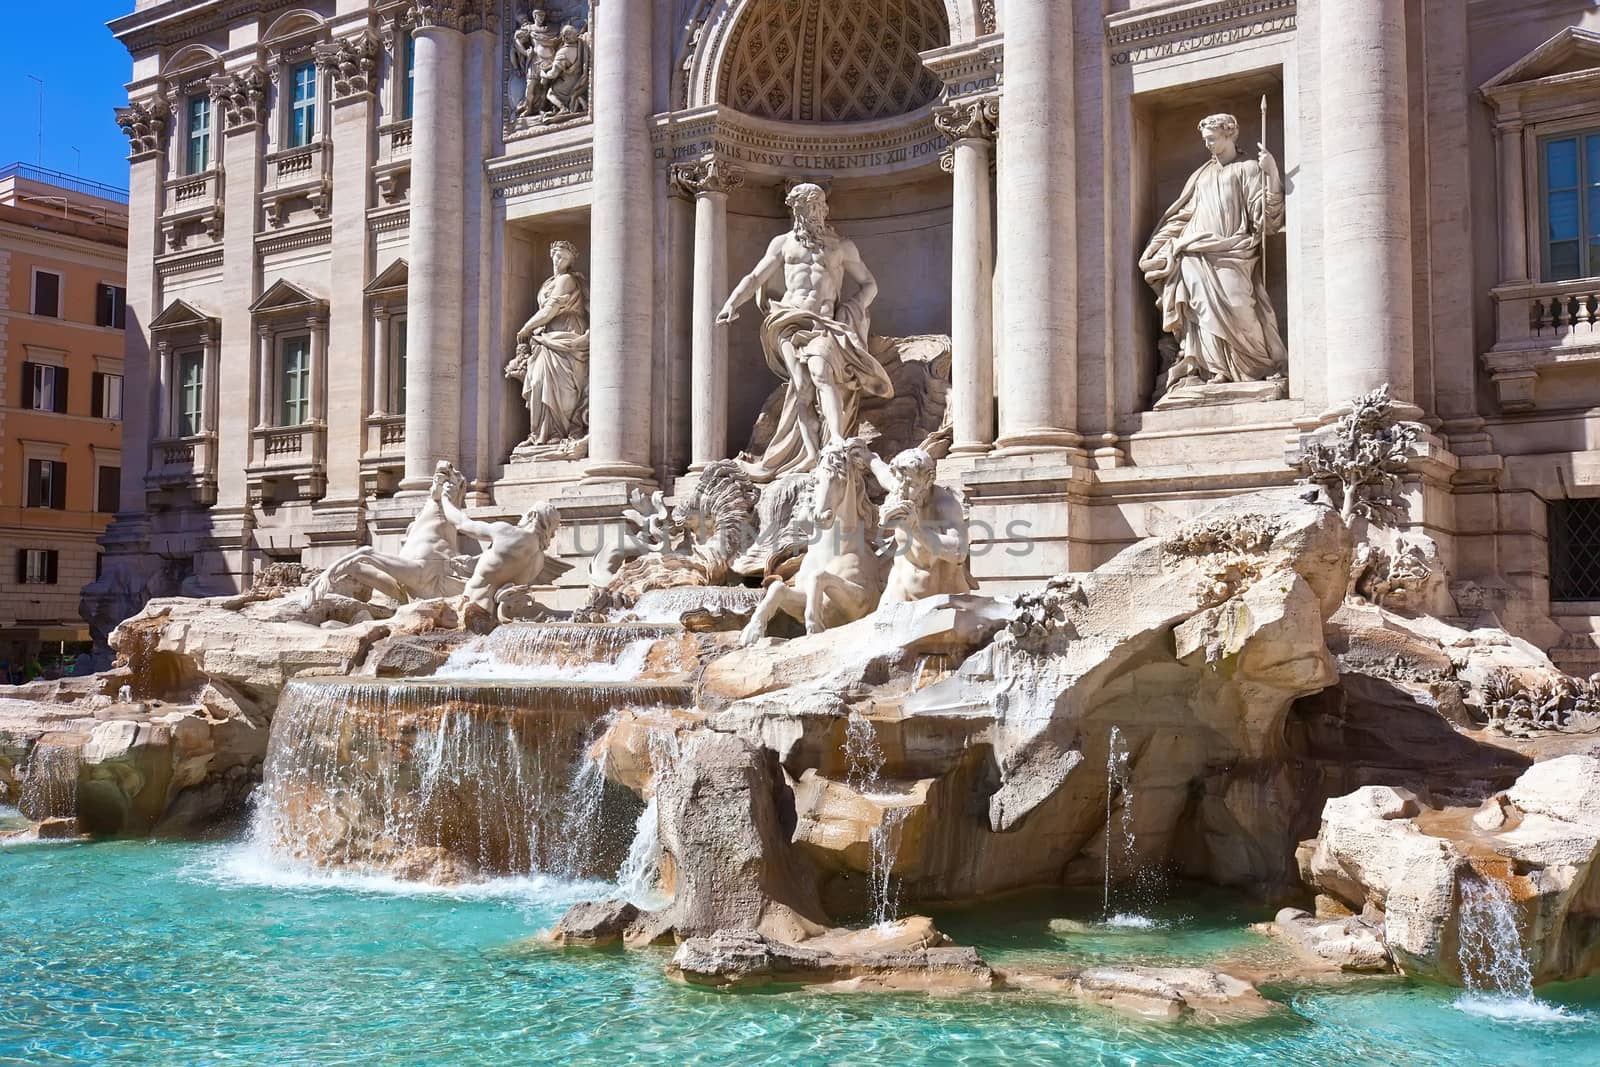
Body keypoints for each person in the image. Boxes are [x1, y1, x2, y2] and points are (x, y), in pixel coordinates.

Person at [717, 182, 892, 481]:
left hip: (823, 323)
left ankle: (835, 440)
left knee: (821, 372)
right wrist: (732, 303)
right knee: (801, 384)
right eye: (804, 208)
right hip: (787, 319)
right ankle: (812, 453)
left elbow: (869, 284)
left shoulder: (841, 247)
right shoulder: (783, 244)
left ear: (824, 209)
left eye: (816, 207)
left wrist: (850, 310)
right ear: (795, 210)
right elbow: (756, 276)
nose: (811, 213)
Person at [1138, 113, 1285, 395]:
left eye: (1212, 139)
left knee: (1239, 305)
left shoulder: (1250, 169)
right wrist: (1160, 243)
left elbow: (1267, 218)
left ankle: (1254, 367)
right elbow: (1182, 215)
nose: (1207, 145)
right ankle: (1213, 368)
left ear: (1229, 135)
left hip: (1233, 250)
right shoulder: (1201, 174)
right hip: (1193, 250)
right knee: (1201, 310)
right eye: (1205, 140)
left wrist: (1273, 173)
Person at [507, 241, 590, 450]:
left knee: (563, 389)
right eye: (557, 256)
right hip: (546, 338)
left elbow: (550, 310)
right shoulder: (547, 283)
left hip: (567, 334)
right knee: (537, 382)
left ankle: (558, 432)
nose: (560, 260)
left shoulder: (567, 280)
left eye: (565, 258)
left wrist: (527, 327)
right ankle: (540, 433)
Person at [439, 494, 562, 625]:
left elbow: (462, 523)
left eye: (525, 514)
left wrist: (445, 499)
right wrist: (474, 562)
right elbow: (503, 571)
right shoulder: (539, 560)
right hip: (500, 620)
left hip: (472, 613)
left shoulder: (507, 532)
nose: (522, 517)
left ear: (533, 515)